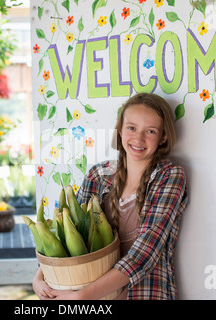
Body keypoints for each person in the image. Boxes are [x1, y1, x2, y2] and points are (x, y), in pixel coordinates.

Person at [32, 93, 188, 300]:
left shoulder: (169, 176)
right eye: (131, 128)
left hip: (145, 293)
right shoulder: (98, 175)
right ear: (120, 129)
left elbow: (146, 251)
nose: (138, 138)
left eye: (150, 131)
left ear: (163, 137)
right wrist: (40, 276)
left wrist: (83, 296)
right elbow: (67, 235)